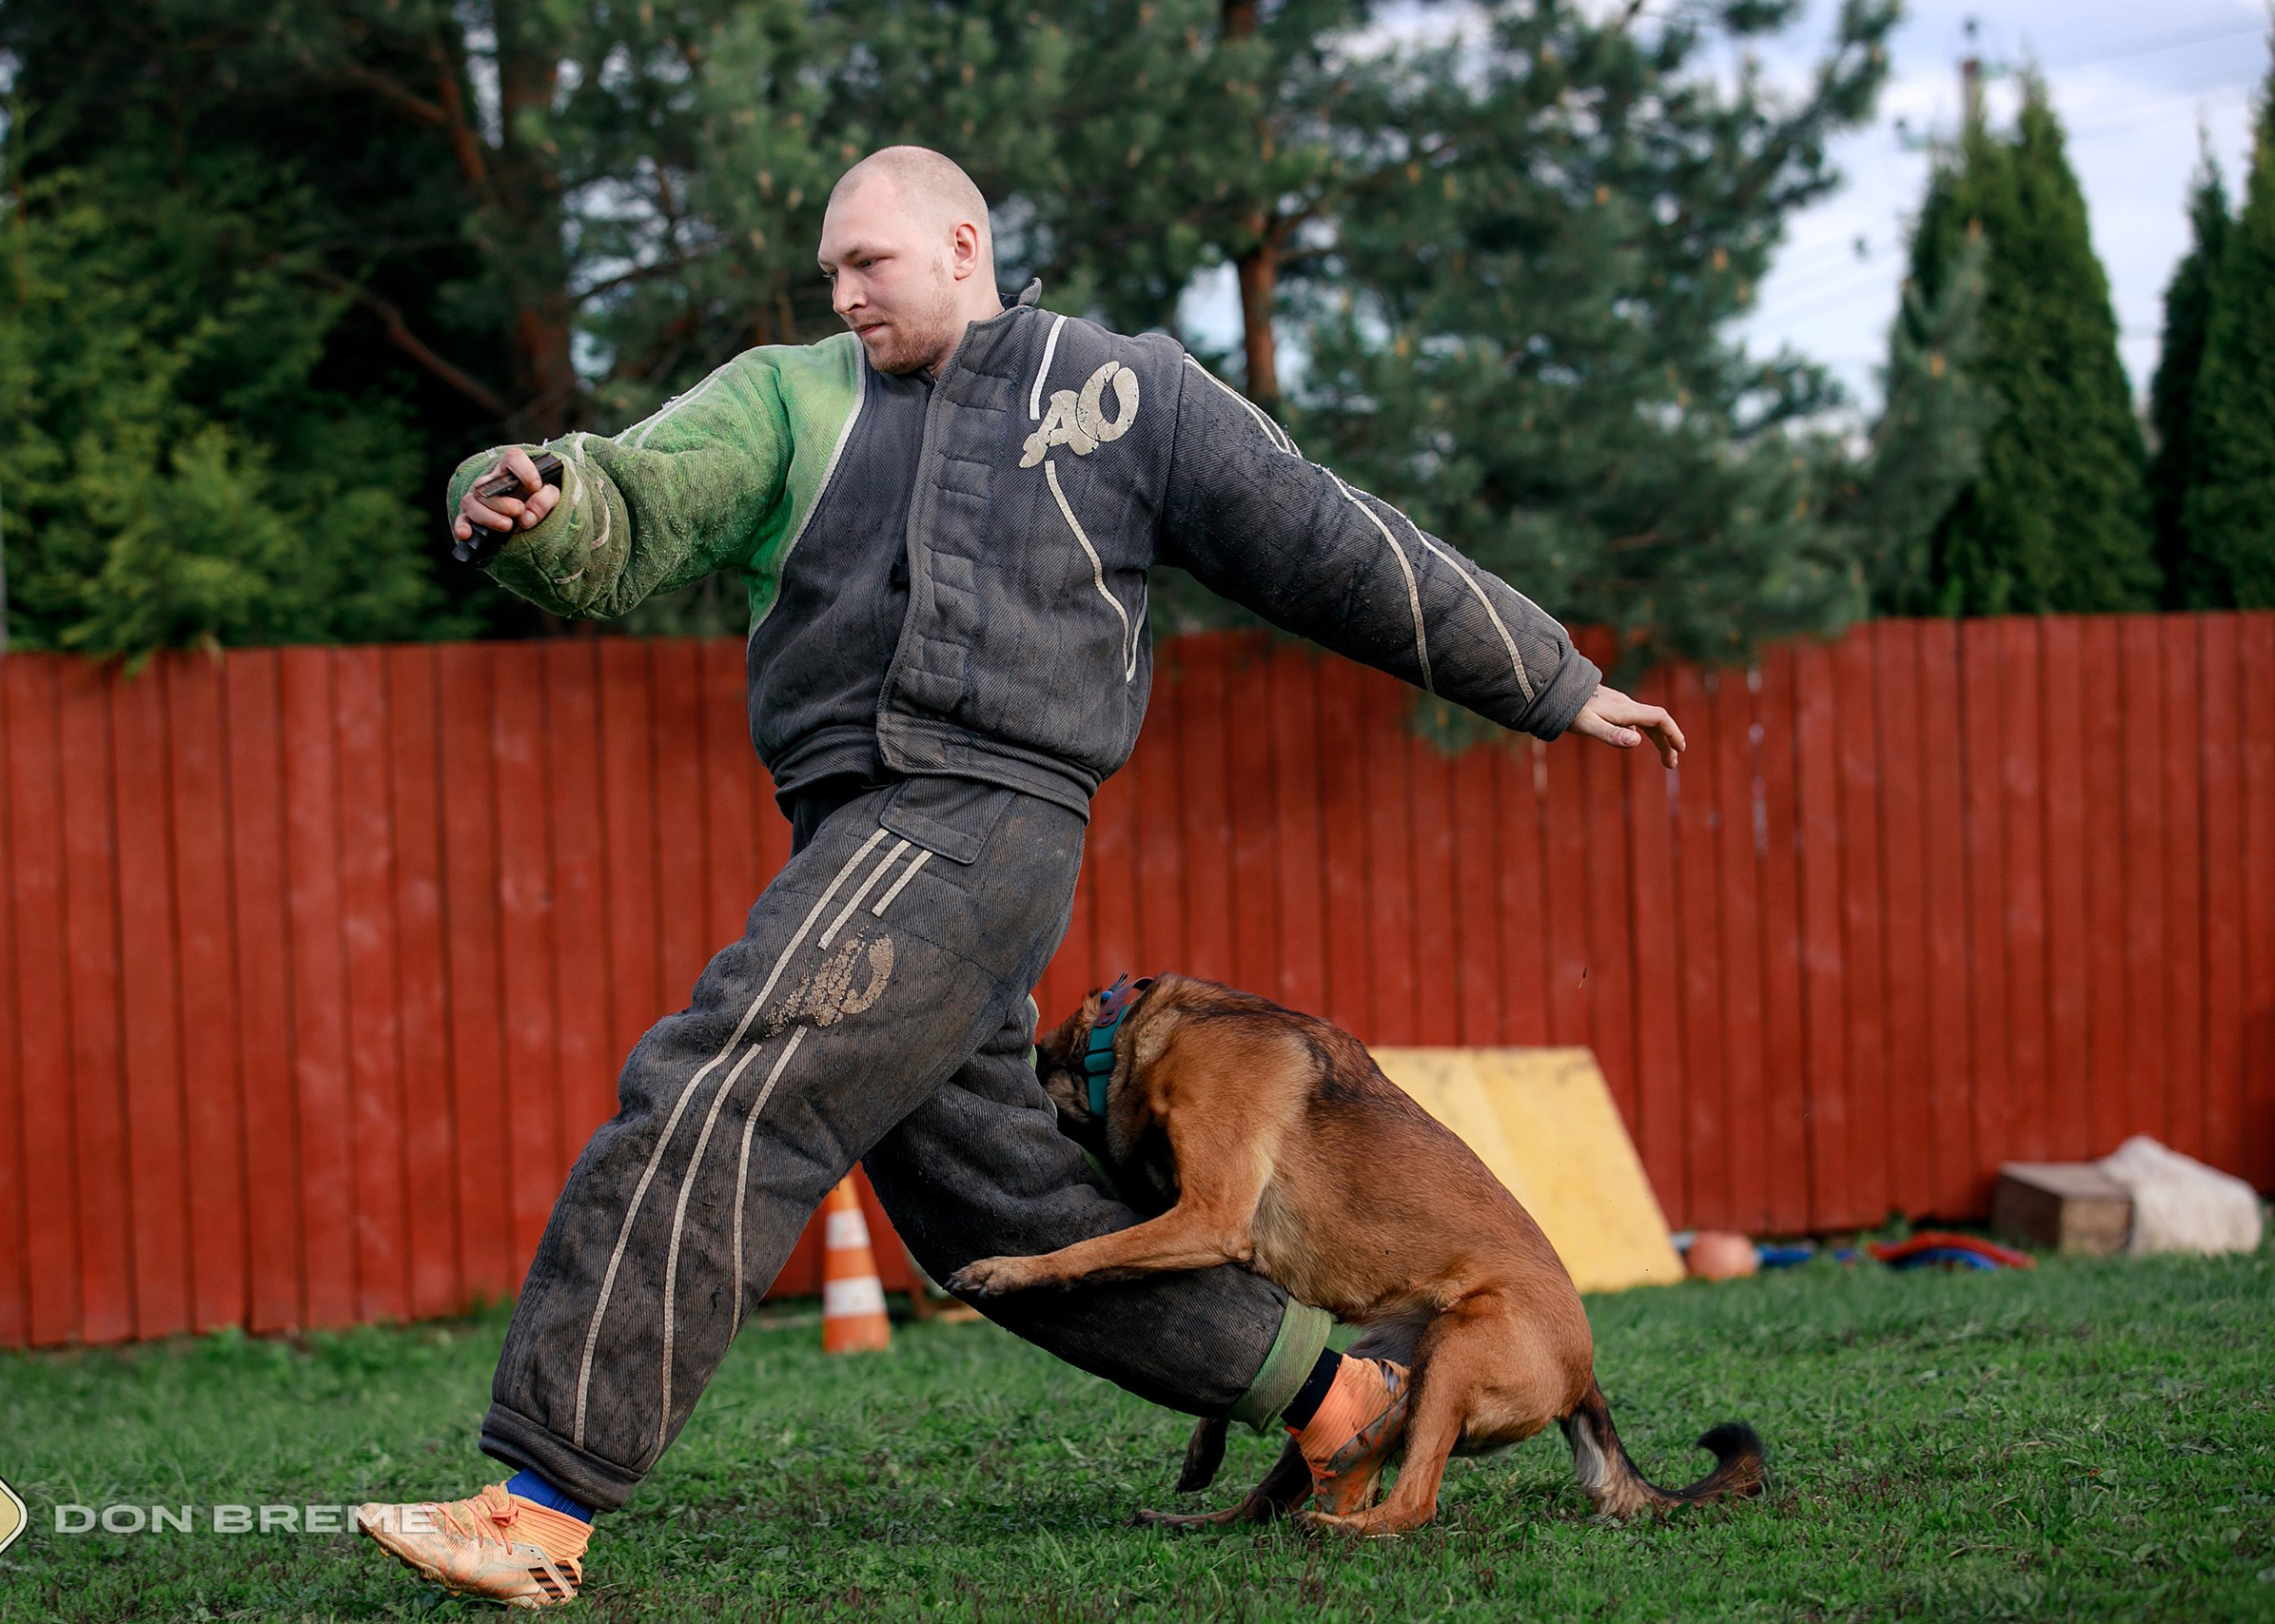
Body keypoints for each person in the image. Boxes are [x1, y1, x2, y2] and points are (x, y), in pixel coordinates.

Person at [355, 146, 1685, 1608]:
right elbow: (640, 494)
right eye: (830, 273)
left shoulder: (1120, 390)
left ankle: (540, 1501)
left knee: (724, 1073)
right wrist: (540, 506)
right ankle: (1336, 1399)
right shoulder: (786, 397)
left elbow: (1325, 535)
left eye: (869, 262)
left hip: (979, 818)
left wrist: (1548, 677)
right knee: (1002, 1210)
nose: (844, 292)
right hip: (858, 838)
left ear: (963, 242)